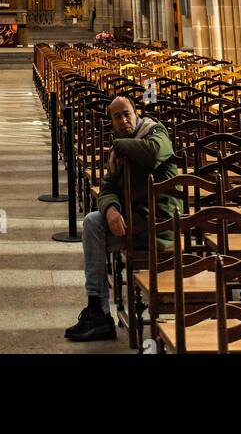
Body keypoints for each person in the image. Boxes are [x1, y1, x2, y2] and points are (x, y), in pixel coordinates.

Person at [64, 94, 180, 342]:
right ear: (112, 123)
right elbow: (106, 188)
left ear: (136, 113)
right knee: (93, 222)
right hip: (132, 224)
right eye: (117, 117)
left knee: (94, 224)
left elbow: (151, 154)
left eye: (127, 113)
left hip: (158, 225)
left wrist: (117, 146)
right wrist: (111, 210)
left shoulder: (155, 132)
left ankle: (98, 312)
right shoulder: (119, 148)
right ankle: (98, 309)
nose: (123, 119)